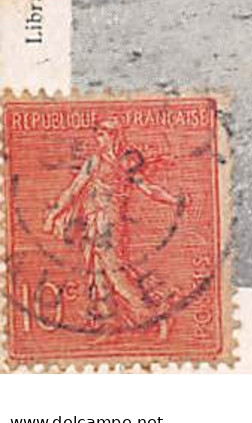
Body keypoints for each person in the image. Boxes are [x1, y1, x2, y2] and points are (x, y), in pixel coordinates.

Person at [43, 119, 185, 334]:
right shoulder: (94, 162)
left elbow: (148, 188)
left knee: (116, 272)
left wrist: (174, 200)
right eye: (99, 134)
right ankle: (109, 323)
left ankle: (151, 315)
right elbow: (73, 190)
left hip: (111, 224)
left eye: (105, 134)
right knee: (98, 273)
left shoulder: (125, 163)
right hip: (94, 222)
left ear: (115, 136)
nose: (100, 138)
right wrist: (54, 214)